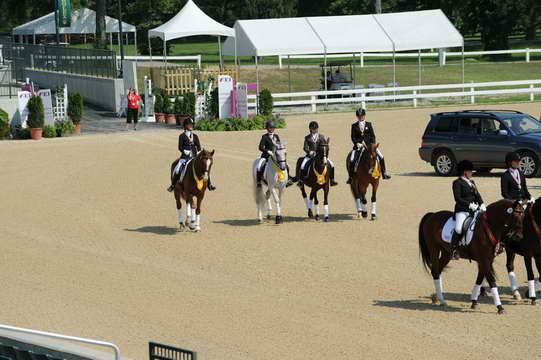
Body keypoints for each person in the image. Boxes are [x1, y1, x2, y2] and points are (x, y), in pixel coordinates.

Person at [167, 118, 216, 192]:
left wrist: (199, 152)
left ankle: (209, 184)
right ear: (185, 126)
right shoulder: (182, 136)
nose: (191, 126)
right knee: (177, 169)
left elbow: (198, 146)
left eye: (191, 125)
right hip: (185, 157)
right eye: (189, 125)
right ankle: (173, 185)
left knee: (205, 168)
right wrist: (184, 151)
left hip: (194, 157)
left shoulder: (195, 136)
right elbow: (180, 147)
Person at [451, 160, 486, 260]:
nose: (472, 173)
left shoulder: (472, 182)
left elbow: (477, 195)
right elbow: (458, 198)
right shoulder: (457, 183)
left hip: (474, 210)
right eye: (470, 171)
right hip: (462, 210)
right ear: (465, 172)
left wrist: (482, 203)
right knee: (458, 228)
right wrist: (470, 205)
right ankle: (454, 250)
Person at [346, 108, 391, 184]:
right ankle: (350, 177)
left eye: (362, 116)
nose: (360, 117)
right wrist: (357, 143)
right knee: (352, 160)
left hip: (370, 146)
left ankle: (384, 173)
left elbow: (373, 136)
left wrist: (372, 144)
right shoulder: (354, 126)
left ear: (364, 116)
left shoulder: (369, 124)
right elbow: (353, 137)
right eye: (359, 116)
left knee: (381, 156)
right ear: (357, 116)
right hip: (358, 146)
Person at [292, 121, 338, 187]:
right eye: (313, 129)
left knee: (331, 164)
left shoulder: (321, 137)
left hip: (320, 156)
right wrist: (309, 151)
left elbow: (324, 145)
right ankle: (301, 181)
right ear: (310, 129)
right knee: (302, 165)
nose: (315, 130)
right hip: (310, 156)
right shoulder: (307, 137)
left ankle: (332, 180)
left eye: (316, 129)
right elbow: (305, 147)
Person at [256, 120, 293, 188]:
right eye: (270, 128)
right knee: (259, 166)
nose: (272, 129)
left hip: (276, 156)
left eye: (273, 128)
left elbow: (279, 145)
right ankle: (259, 181)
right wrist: (267, 151)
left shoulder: (276, 136)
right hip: (266, 156)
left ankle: (288, 179)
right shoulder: (264, 137)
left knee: (286, 165)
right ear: (267, 128)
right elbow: (260, 147)